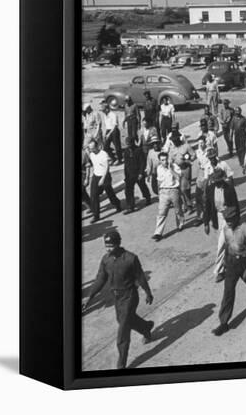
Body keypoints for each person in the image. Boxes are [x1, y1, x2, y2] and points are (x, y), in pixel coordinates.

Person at [82, 231, 154, 369]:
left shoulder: (130, 259)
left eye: (111, 245)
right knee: (124, 321)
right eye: (106, 246)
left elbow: (140, 277)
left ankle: (121, 365)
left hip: (130, 296)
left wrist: (148, 293)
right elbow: (100, 279)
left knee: (123, 331)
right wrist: (90, 297)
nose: (108, 249)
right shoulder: (105, 259)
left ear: (118, 243)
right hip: (116, 297)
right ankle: (146, 327)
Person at [211, 206, 246, 336]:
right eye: (227, 220)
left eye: (231, 219)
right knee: (228, 291)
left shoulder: (245, 228)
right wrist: (225, 262)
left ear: (237, 217)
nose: (229, 222)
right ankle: (224, 322)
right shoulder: (226, 229)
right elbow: (227, 245)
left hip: (245, 260)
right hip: (231, 262)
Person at [203, 168, 240, 281]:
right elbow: (208, 206)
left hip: (228, 217)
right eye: (216, 181)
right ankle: (230, 262)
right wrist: (206, 223)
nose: (217, 183)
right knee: (226, 242)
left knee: (221, 243)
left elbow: (235, 205)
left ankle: (218, 270)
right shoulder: (210, 189)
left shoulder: (229, 188)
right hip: (217, 217)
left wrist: (236, 221)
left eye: (219, 181)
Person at [151, 151, 185, 241]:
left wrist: (171, 169)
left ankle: (180, 223)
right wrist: (159, 192)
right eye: (162, 160)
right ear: (160, 161)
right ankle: (158, 232)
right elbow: (159, 181)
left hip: (174, 190)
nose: (165, 162)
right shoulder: (159, 168)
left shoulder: (175, 166)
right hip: (163, 191)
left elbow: (178, 177)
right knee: (161, 212)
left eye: (166, 159)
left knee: (178, 210)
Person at [88, 139, 122, 222]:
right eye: (90, 148)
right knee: (93, 195)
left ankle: (117, 204)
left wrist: (102, 179)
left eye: (92, 148)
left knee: (109, 193)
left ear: (97, 147)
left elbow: (107, 167)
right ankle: (96, 215)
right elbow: (93, 164)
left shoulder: (103, 154)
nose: (91, 150)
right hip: (96, 176)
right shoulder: (91, 154)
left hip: (105, 176)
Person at [166, 131, 196, 213]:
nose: (174, 141)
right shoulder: (172, 149)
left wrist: (188, 159)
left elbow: (193, 155)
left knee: (184, 188)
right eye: (173, 140)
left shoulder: (186, 146)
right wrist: (170, 165)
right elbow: (170, 160)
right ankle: (186, 205)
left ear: (179, 138)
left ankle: (189, 205)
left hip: (185, 168)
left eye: (175, 139)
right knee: (180, 189)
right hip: (176, 170)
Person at [123, 136, 151, 214]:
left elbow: (142, 162)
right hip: (129, 174)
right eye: (127, 144)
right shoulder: (126, 152)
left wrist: (141, 173)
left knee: (142, 186)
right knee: (128, 190)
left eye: (129, 144)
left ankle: (147, 197)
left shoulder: (139, 150)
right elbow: (126, 164)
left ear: (132, 143)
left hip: (138, 173)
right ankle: (130, 206)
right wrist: (126, 175)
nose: (128, 145)